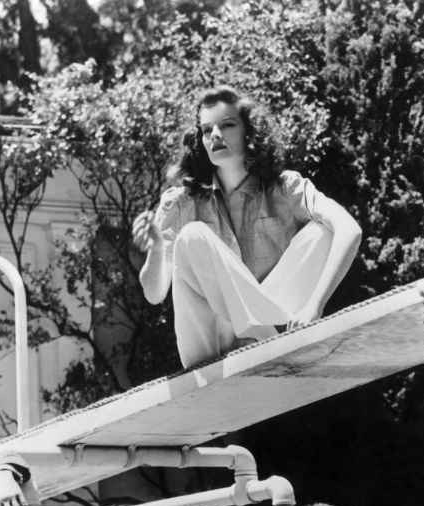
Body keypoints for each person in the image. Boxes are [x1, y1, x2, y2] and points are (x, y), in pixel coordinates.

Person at [133, 86, 363, 369]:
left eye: (227, 125)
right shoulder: (181, 202)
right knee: (193, 236)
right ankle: (256, 337)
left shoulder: (285, 187)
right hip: (210, 350)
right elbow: (154, 294)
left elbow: (349, 229)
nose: (215, 135)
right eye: (207, 131)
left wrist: (314, 306)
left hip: (272, 332)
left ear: (249, 132)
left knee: (323, 231)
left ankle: (259, 339)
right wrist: (157, 248)